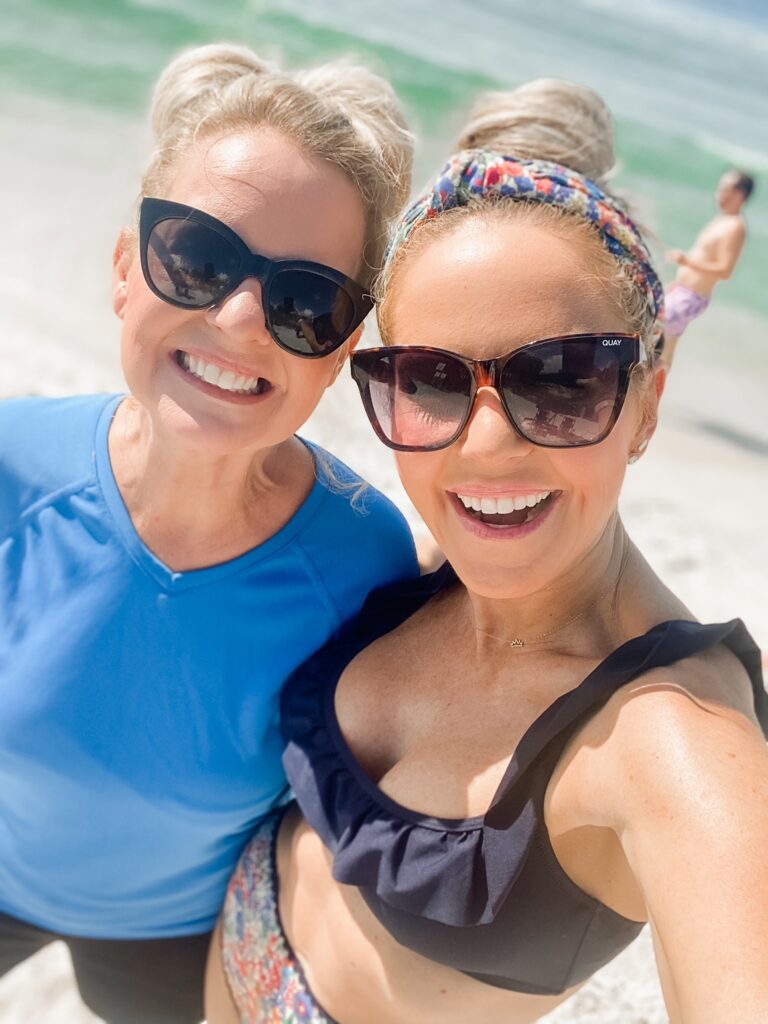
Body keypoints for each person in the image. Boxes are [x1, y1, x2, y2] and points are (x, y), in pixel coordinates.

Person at [207, 79, 768, 1024]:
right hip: (228, 945)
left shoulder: (673, 739)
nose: (486, 446)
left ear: (649, 398)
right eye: (428, 379)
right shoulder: (436, 564)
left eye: (561, 380)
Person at [0, 42, 419, 1024]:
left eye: (306, 302)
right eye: (197, 258)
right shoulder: (11, 467)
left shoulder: (364, 569)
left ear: (340, 354)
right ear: (122, 270)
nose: (238, 320)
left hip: (172, 934)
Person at [662, 168, 754, 367]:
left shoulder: (736, 227)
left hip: (691, 297)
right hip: (682, 291)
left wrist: (686, 261)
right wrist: (677, 284)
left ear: (740, 194)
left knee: (658, 342)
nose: (719, 192)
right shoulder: (723, 220)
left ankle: (646, 393)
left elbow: (725, 270)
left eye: (725, 188)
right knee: (661, 347)